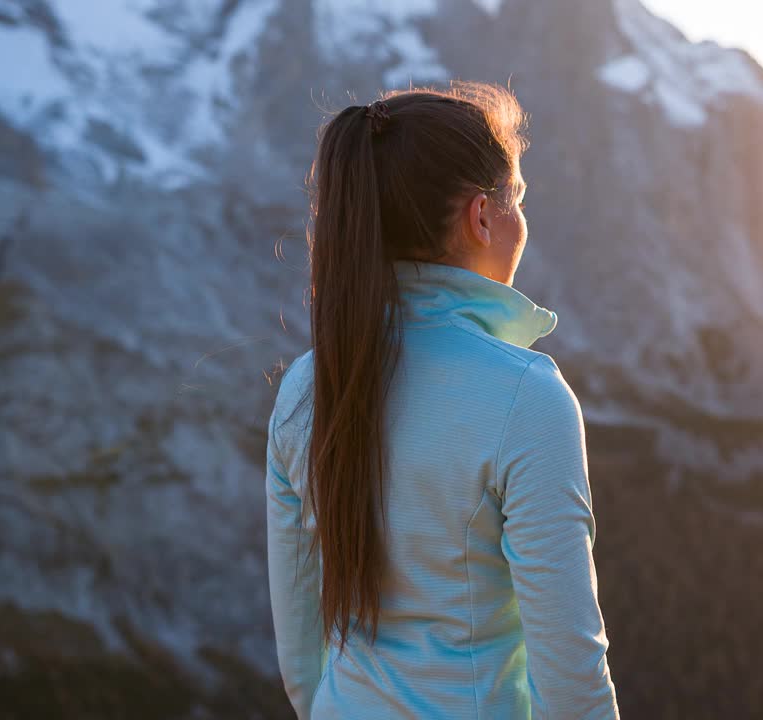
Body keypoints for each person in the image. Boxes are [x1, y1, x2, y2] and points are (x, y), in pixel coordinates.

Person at [265, 80, 620, 719]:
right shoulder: (526, 397)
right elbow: (571, 679)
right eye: (516, 196)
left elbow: (300, 655)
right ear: (482, 216)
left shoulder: (305, 387)